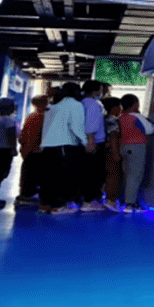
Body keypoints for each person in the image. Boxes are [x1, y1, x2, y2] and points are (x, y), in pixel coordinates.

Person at [38, 81, 86, 214]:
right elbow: (76, 126)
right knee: (63, 177)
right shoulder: (75, 104)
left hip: (47, 146)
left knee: (48, 177)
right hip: (64, 146)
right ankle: (58, 206)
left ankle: (45, 204)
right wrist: (86, 142)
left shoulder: (52, 106)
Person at [118, 94, 154, 213]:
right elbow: (150, 129)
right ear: (135, 104)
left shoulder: (122, 117)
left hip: (124, 147)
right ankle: (130, 204)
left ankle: (124, 200)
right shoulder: (136, 117)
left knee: (127, 175)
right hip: (136, 147)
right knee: (135, 176)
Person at [15, 95, 48, 206]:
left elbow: (22, 136)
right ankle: (31, 195)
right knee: (37, 175)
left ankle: (25, 194)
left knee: (27, 175)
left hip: (28, 151)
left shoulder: (31, 117)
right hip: (38, 152)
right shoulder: (44, 118)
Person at [80, 80, 108, 211]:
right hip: (94, 143)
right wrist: (91, 142)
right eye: (101, 89)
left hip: (84, 142)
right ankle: (89, 201)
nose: (102, 92)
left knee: (86, 172)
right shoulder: (93, 104)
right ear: (95, 91)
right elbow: (90, 125)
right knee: (94, 173)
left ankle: (84, 199)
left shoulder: (82, 102)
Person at [101, 97, 122, 211]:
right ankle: (111, 200)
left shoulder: (102, 118)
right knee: (113, 176)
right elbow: (113, 136)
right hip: (110, 152)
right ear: (114, 108)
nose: (121, 109)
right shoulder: (111, 120)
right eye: (119, 106)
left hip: (103, 150)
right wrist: (115, 153)